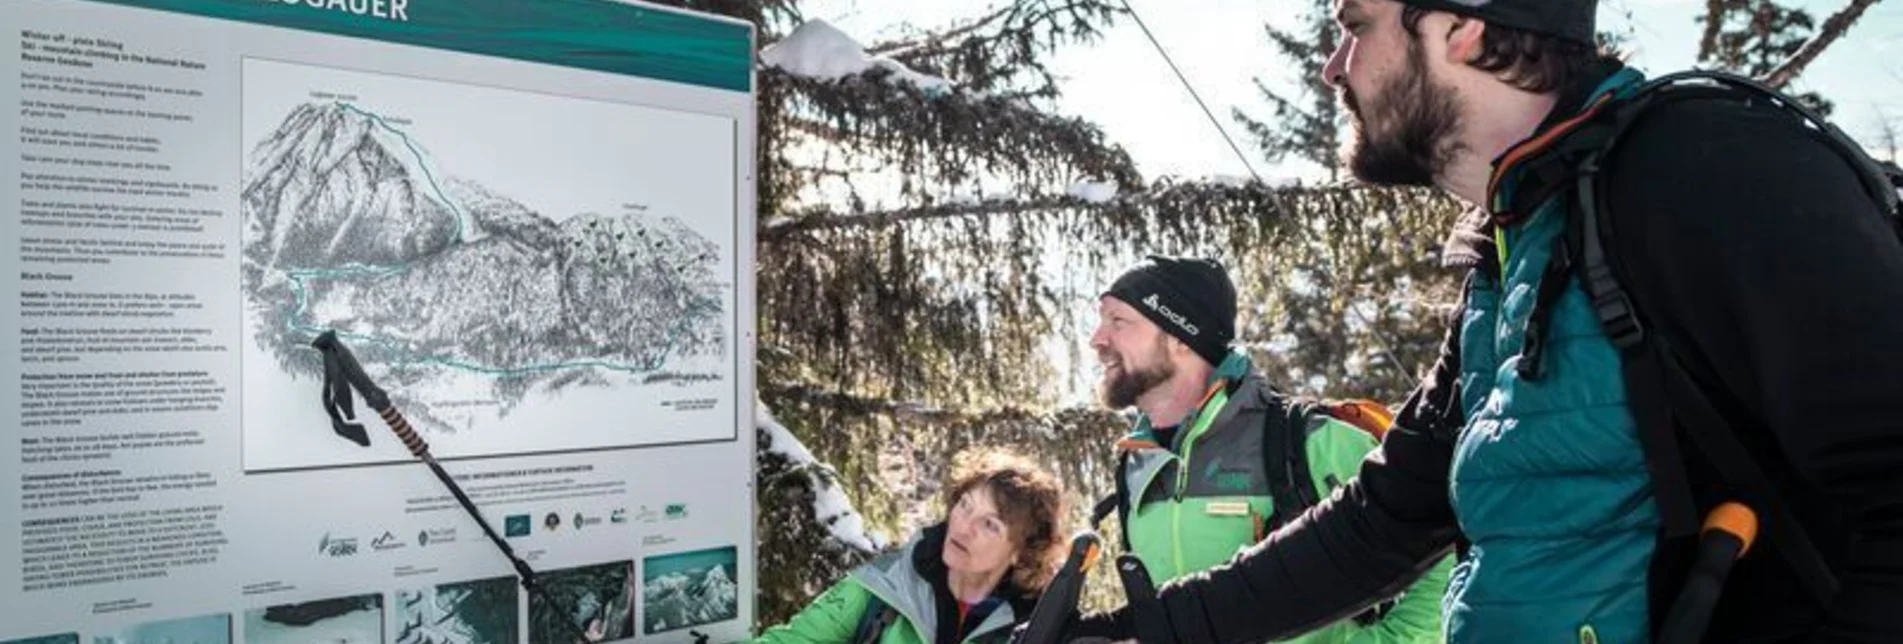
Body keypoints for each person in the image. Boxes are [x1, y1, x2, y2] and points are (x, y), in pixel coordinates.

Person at [1069, 0, 1903, 641]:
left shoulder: (1699, 166)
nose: (1333, 66)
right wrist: (1140, 630)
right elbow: (1385, 518)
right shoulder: (1520, 237)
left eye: (1356, 27)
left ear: (1464, 29)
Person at [1085, 255, 1450, 643]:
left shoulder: (1310, 440)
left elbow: (1440, 549)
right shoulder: (1135, 466)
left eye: (1118, 321)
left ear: (1180, 336)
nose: (1097, 339)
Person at [754, 446, 1066, 644]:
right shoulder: (885, 585)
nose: (964, 527)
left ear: (1021, 552)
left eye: (990, 524)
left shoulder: (1039, 626)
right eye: (965, 505)